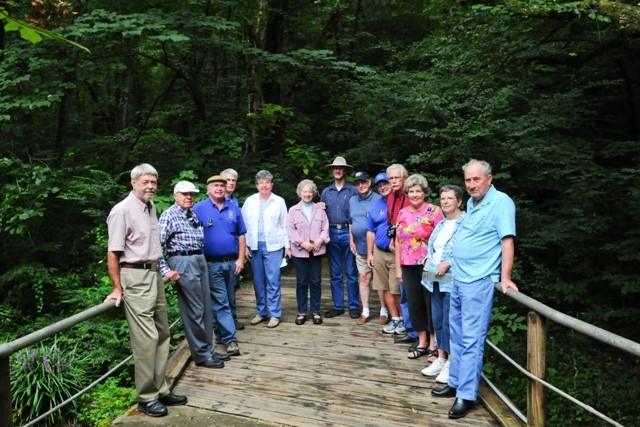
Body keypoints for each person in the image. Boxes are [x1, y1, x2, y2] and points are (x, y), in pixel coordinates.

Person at [431, 159, 518, 420]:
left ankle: (466, 396)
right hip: (458, 277)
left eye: (476, 179)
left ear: (489, 179)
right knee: (457, 335)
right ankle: (456, 382)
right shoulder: (471, 202)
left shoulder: (501, 202)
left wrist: (506, 277)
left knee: (471, 339)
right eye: (468, 180)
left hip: (478, 282)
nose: (471, 185)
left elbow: (507, 241)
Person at [105, 163, 187, 418]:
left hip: (154, 274)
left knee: (163, 334)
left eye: (153, 182)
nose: (151, 186)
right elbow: (113, 253)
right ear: (134, 182)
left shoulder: (151, 207)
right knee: (146, 339)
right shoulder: (122, 211)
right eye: (146, 182)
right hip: (135, 276)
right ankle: (146, 397)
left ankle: (161, 389)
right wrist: (117, 288)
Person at [159, 181, 226, 369]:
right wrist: (166, 270)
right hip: (183, 262)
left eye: (192, 194)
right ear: (175, 195)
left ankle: (209, 349)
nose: (189, 197)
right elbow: (157, 246)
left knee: (206, 308)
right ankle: (202, 354)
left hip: (199, 259)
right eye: (184, 194)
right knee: (194, 310)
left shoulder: (192, 214)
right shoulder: (169, 216)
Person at [193, 175, 244, 358]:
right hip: (211, 264)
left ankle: (221, 333)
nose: (220, 188)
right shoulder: (199, 209)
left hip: (231, 263)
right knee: (221, 301)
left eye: (222, 185)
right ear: (208, 189)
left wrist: (240, 259)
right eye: (215, 185)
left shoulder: (234, 207)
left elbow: (241, 234)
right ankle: (231, 340)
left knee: (230, 300)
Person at [394, 174, 443, 360]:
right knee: (414, 303)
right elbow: (398, 241)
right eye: (411, 191)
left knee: (430, 303)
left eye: (418, 191)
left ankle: (434, 343)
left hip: (428, 265)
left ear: (424, 192)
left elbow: (442, 239)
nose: (414, 194)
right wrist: (398, 268)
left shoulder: (434, 211)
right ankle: (421, 341)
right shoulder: (403, 212)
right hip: (407, 265)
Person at [420, 185, 465, 385]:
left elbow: (467, 250)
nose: (445, 201)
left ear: (459, 202)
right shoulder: (441, 223)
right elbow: (433, 248)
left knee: (450, 321)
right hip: (434, 278)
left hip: (453, 279)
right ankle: (441, 357)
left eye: (450, 198)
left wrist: (449, 262)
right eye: (443, 198)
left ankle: (452, 363)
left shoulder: (465, 223)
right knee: (437, 318)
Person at [242, 170, 290, 328]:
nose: (264, 185)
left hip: (274, 246)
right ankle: (261, 311)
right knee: (258, 281)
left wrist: (287, 246)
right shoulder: (250, 201)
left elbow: (285, 225)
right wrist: (244, 247)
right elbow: (243, 226)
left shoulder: (279, 201)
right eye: (261, 182)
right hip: (254, 246)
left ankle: (275, 313)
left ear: (271, 184)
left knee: (273, 280)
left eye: (267, 182)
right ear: (257, 185)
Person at [320, 156, 359, 319]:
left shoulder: (353, 191)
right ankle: (338, 305)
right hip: (331, 233)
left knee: (351, 271)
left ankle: (354, 306)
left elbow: (357, 214)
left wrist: (353, 236)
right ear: (332, 170)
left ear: (345, 171)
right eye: (335, 168)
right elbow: (320, 215)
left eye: (341, 168)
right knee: (335, 273)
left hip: (348, 231)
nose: (337, 170)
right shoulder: (326, 192)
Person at [287, 179, 330, 325]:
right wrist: (302, 243)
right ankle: (302, 312)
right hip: (300, 252)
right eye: (305, 191)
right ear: (300, 193)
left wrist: (319, 240)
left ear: (313, 193)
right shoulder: (293, 210)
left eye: (310, 191)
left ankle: (316, 311)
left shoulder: (320, 209)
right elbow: (290, 230)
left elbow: (325, 227)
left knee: (316, 281)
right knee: (301, 282)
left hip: (316, 251)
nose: (307, 194)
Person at [385, 164, 418, 345]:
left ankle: (417, 333)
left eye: (397, 178)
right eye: (391, 178)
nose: (394, 181)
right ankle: (410, 329)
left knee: (412, 294)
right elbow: (393, 224)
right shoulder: (391, 197)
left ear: (405, 178)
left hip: (413, 254)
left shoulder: (412, 197)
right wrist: (392, 240)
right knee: (405, 293)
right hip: (398, 251)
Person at [366, 172, 402, 328]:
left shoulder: (402, 202)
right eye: (380, 186)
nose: (383, 187)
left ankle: (404, 320)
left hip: (396, 253)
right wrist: (370, 254)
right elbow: (370, 230)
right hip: (379, 251)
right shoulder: (376, 205)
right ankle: (395, 319)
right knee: (384, 287)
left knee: (397, 290)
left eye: (385, 184)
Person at [348, 171, 382, 325]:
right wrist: (351, 240)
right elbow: (350, 221)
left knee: (380, 280)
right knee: (364, 278)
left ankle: (384, 310)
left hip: (377, 247)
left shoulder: (379, 199)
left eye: (363, 182)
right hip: (360, 247)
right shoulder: (352, 200)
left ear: (369, 182)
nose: (360, 185)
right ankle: (365, 310)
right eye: (357, 183)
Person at [219, 167, 242, 330]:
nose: (231, 183)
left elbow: (241, 230)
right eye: (228, 180)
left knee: (232, 287)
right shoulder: (212, 201)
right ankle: (220, 323)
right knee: (219, 291)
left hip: (234, 252)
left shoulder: (235, 202)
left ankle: (232, 319)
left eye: (234, 180)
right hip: (216, 255)